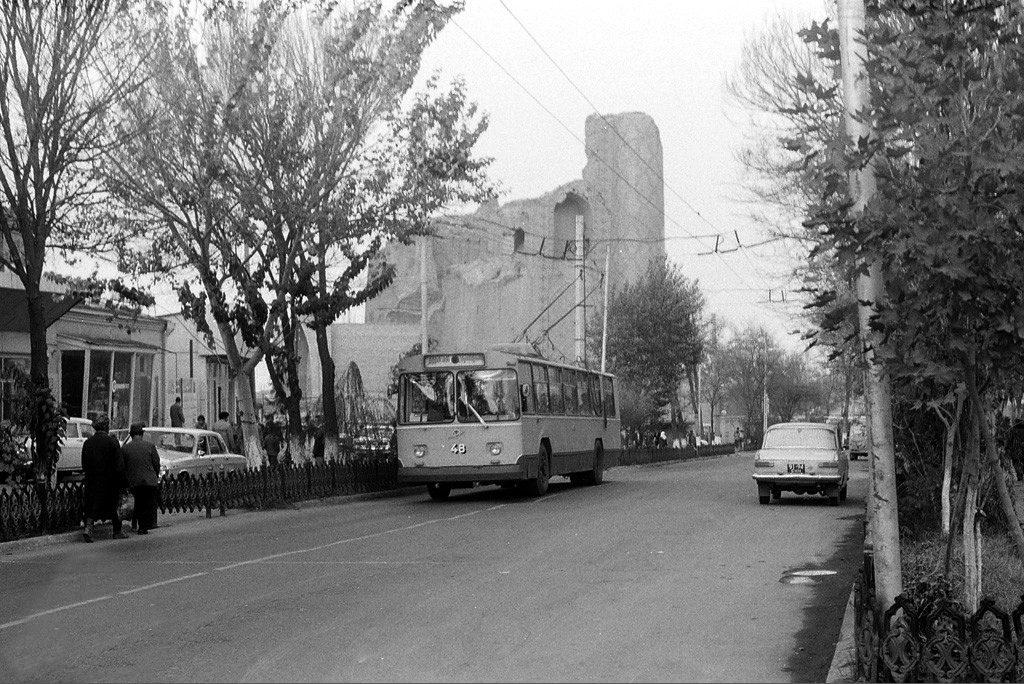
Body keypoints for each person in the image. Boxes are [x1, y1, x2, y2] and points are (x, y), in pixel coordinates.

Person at [81, 415, 125, 542]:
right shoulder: (112, 442)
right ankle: (117, 531)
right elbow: (119, 465)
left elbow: (84, 465)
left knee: (91, 506)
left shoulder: (88, 443)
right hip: (110, 482)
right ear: (106, 427)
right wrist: (122, 481)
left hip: (92, 481)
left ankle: (88, 529)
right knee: (114, 505)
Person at [120, 423, 161, 534]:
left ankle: (137, 524)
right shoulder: (150, 446)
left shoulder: (125, 448)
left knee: (137, 502)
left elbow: (122, 466)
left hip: (134, 481)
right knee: (147, 502)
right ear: (142, 434)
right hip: (149, 481)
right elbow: (156, 464)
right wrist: (154, 475)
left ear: (131, 435)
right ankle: (145, 525)